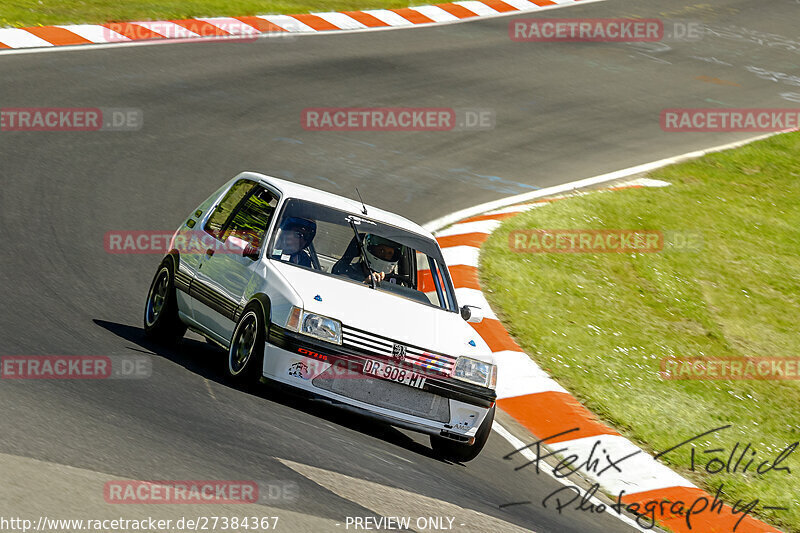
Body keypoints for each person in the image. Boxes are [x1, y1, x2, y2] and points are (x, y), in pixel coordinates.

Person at [335, 234, 404, 285]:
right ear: (372, 249)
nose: (385, 256)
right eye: (381, 250)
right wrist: (365, 283)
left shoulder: (396, 283)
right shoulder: (348, 273)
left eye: (390, 253)